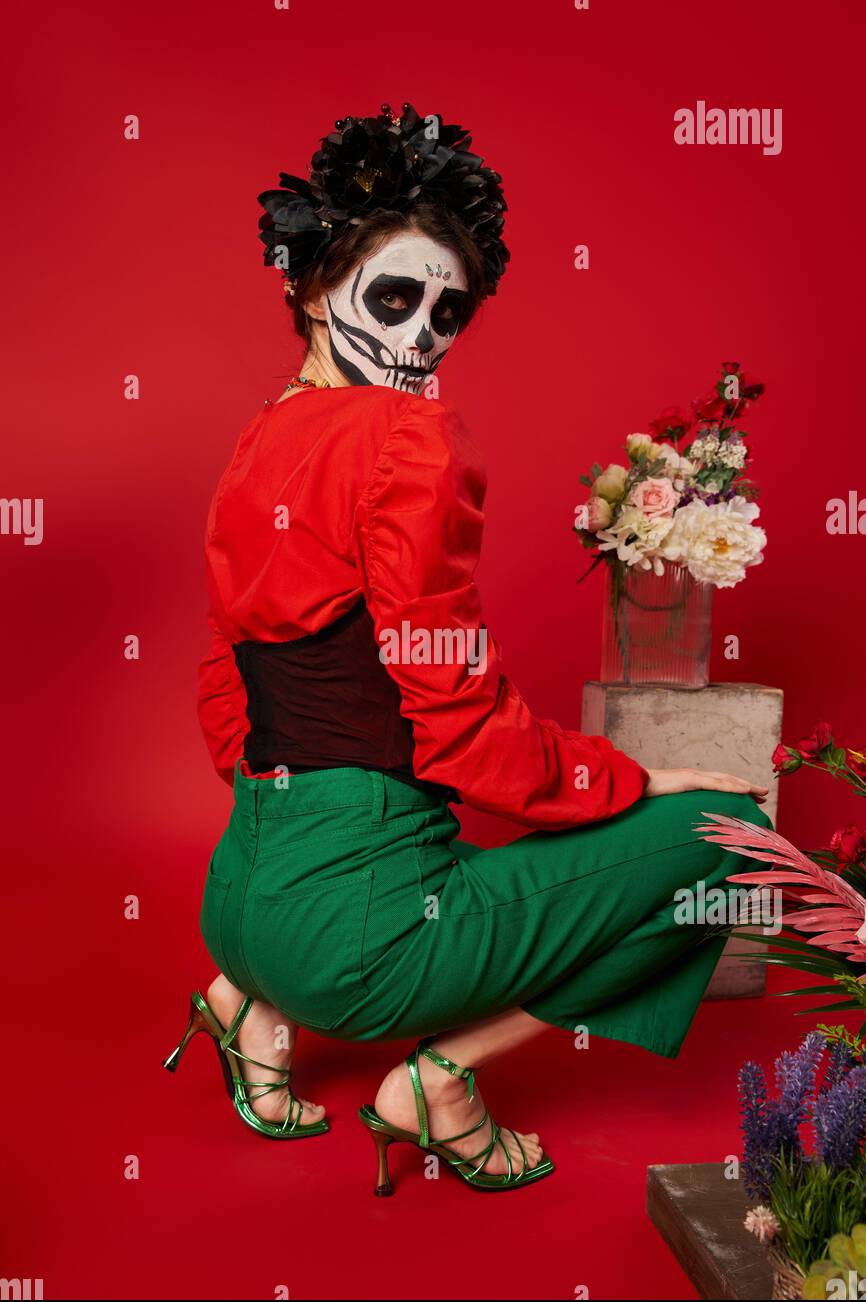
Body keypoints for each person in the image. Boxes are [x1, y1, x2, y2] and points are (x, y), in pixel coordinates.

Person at [164, 102, 770, 1194]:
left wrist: (292, 833)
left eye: (446, 312)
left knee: (353, 874)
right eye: (393, 296)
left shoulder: (261, 434)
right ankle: (439, 1076)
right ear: (308, 286)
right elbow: (457, 728)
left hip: (239, 895)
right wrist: (629, 778)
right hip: (352, 943)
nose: (417, 336)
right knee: (733, 837)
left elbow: (225, 679)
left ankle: (248, 1002)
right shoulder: (407, 438)